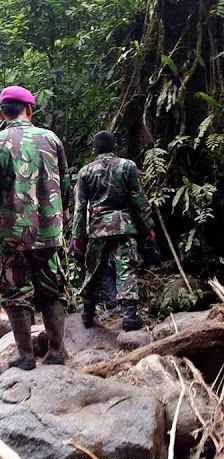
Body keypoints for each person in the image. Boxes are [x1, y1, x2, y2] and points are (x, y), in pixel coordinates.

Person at [0, 85, 71, 370]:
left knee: (14, 291)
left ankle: (26, 356)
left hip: (11, 232)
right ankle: (56, 351)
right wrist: (61, 220)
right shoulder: (51, 139)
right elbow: (64, 184)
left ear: (2, 113)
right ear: (30, 110)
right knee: (51, 289)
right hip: (50, 230)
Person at [72, 130, 155, 331]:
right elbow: (139, 198)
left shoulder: (85, 172)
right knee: (126, 268)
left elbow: (80, 207)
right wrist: (149, 226)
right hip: (123, 225)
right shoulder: (127, 166)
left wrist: (77, 236)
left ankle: (87, 313)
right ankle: (129, 316)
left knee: (93, 271)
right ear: (115, 147)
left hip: (97, 227)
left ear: (94, 151)